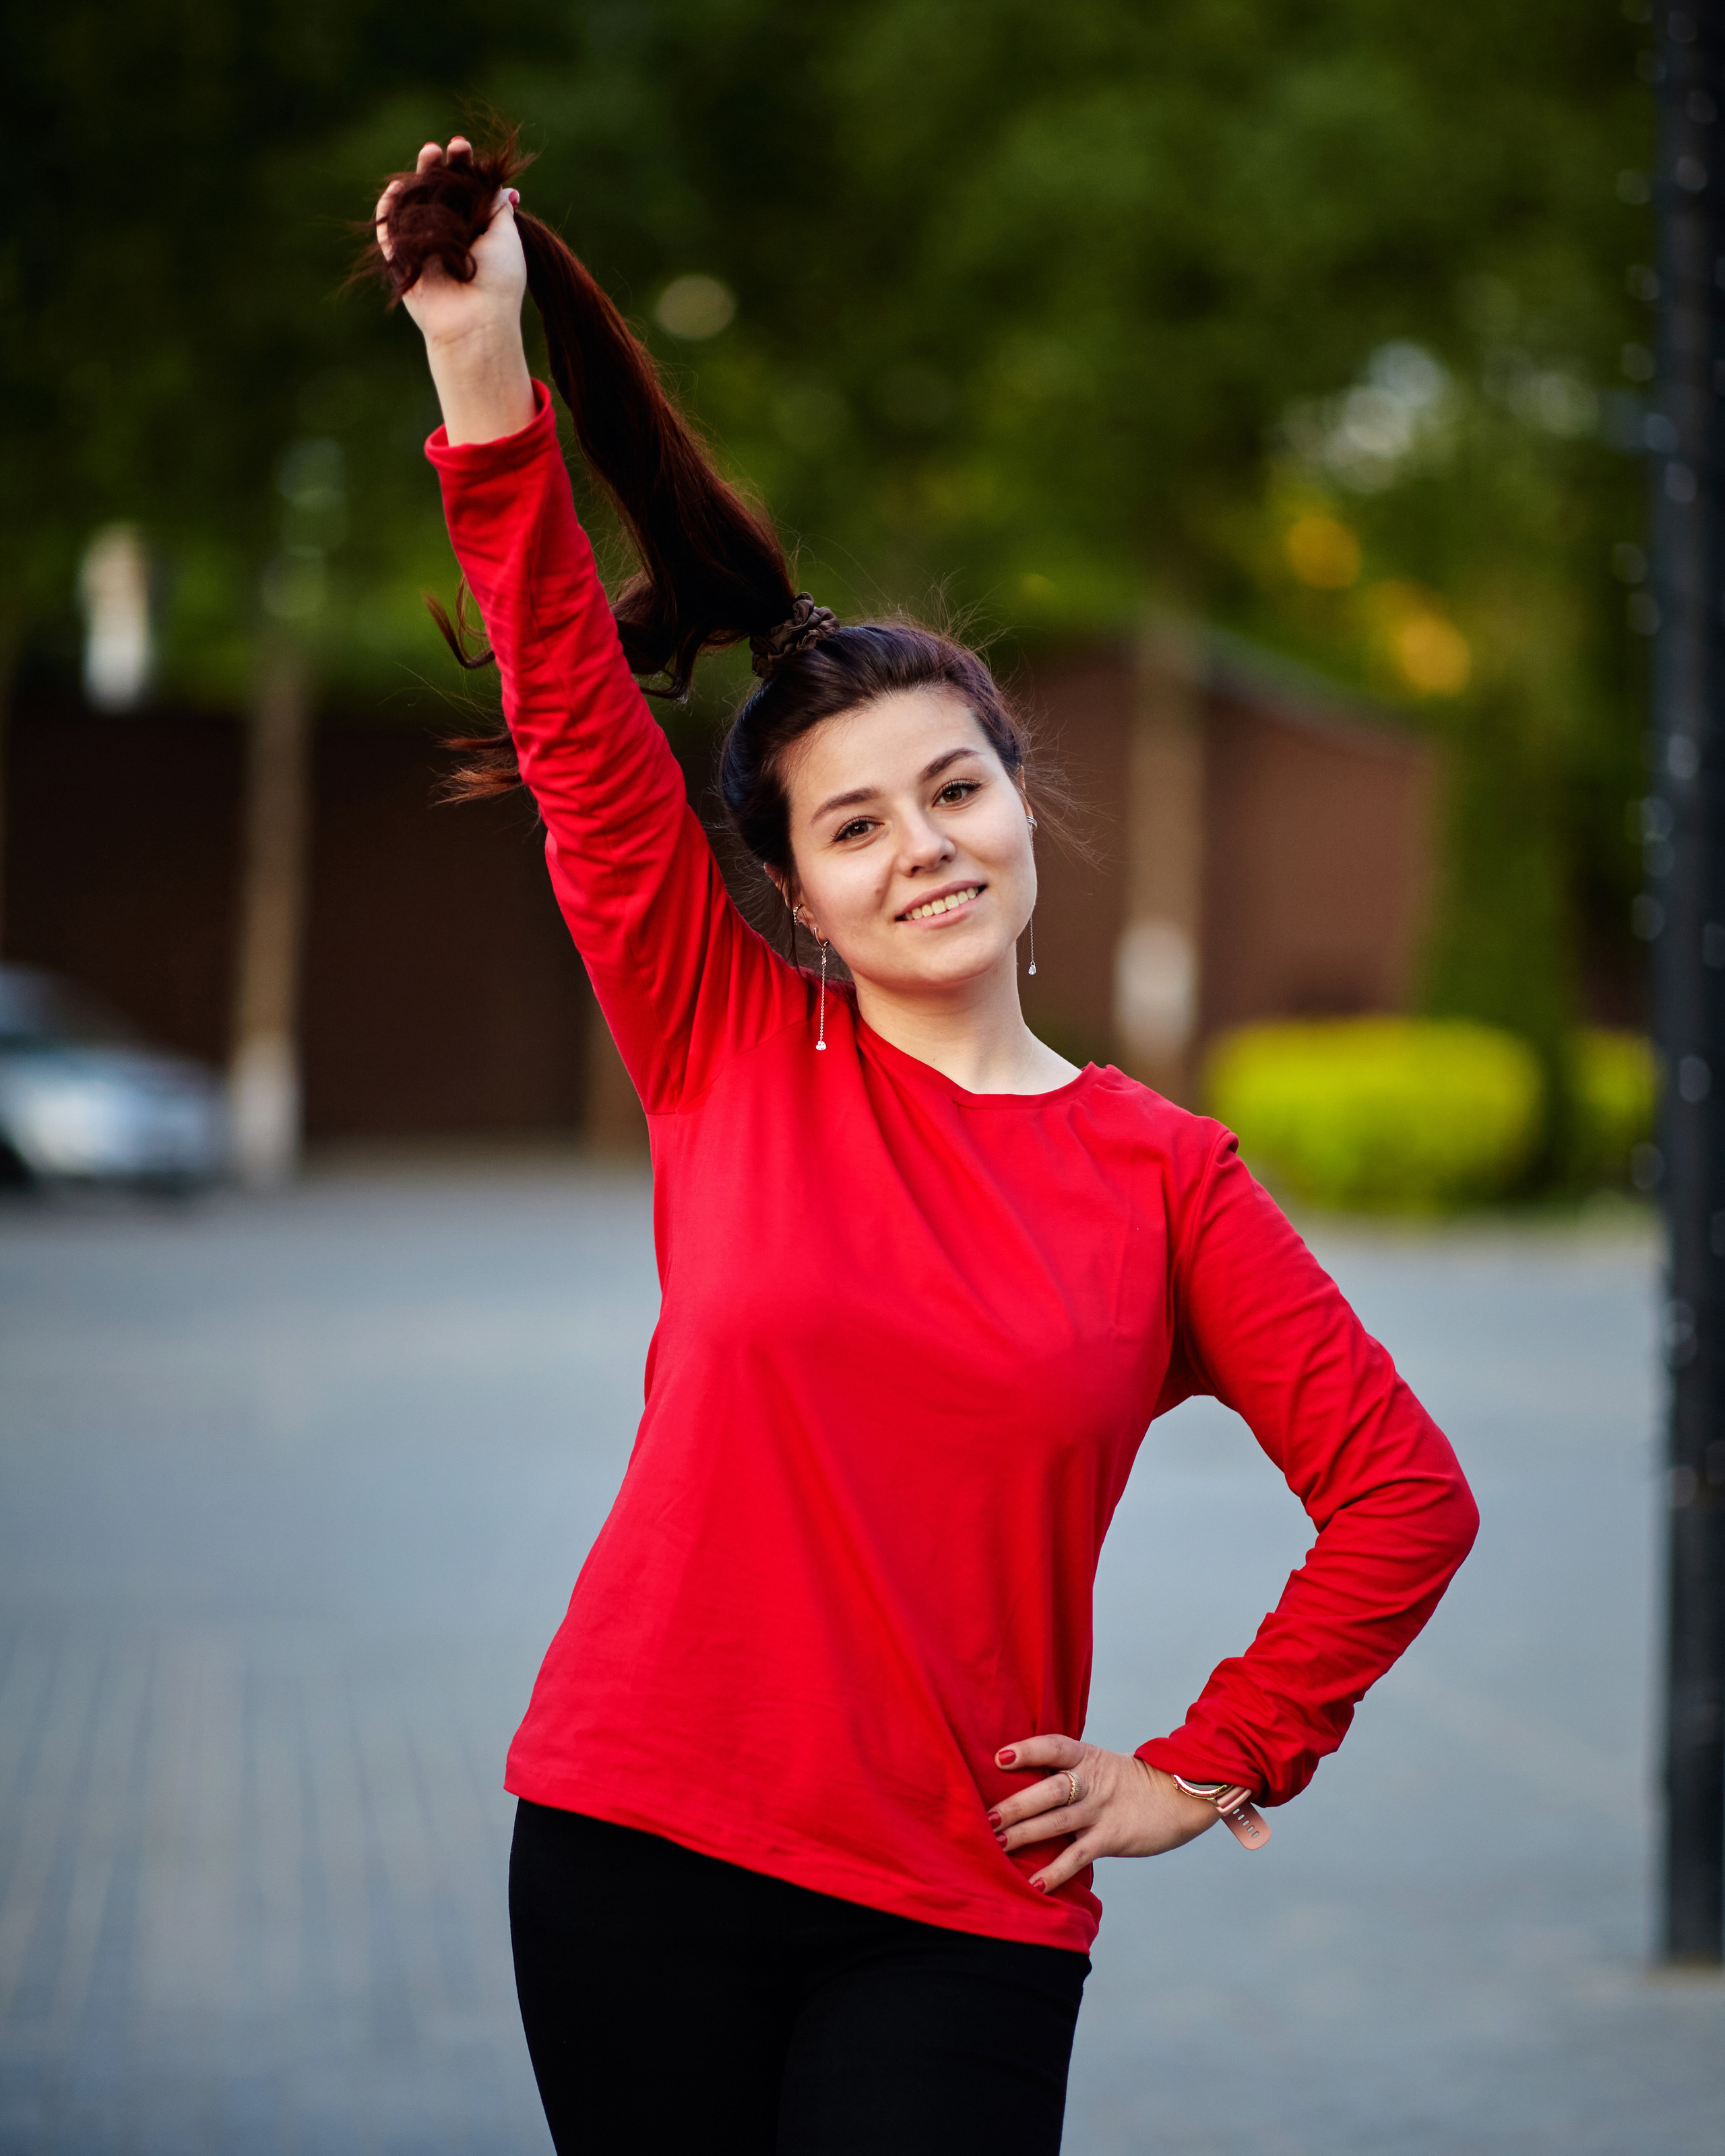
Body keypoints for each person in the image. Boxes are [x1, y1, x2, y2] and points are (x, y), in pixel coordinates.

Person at [370, 135, 1479, 2156]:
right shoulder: (727, 1045)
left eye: (951, 788)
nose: (922, 847)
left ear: (1020, 804)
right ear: (795, 893)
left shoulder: (1168, 1178)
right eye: (854, 825)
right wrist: (478, 359)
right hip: (637, 1846)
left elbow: (1404, 1494)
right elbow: (563, 709)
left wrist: (1212, 1762)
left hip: (961, 1913)